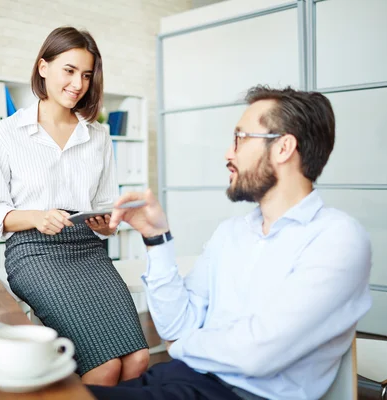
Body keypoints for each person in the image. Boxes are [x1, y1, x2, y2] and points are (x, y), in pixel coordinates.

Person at [88, 86, 372, 400]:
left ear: (283, 148)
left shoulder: (337, 238)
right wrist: (157, 238)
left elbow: (257, 354)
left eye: (240, 138)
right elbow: (176, 326)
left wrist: (184, 346)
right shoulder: (231, 233)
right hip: (180, 376)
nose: (228, 153)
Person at [0, 26, 149, 385]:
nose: (78, 84)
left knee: (137, 359)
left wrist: (107, 222)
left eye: (86, 75)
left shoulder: (98, 134)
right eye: (69, 71)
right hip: (34, 253)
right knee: (105, 367)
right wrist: (38, 217)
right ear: (43, 67)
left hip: (87, 248)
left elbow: (102, 203)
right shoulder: (7, 134)